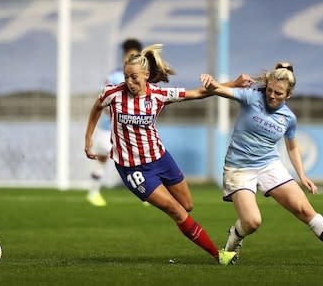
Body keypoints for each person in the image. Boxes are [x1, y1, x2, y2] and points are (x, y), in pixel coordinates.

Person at [84, 44, 239, 265]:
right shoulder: (113, 93)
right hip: (133, 169)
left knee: (187, 206)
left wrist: (234, 84)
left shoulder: (159, 94)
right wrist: (88, 138)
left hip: (161, 159)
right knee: (177, 211)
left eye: (134, 77)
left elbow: (199, 93)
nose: (130, 82)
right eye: (127, 77)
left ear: (146, 75)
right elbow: (96, 108)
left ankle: (181, 218)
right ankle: (219, 255)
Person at [203, 62, 323, 266]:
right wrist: (212, 84)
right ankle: (232, 243)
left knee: (304, 209)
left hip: (269, 165)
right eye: (269, 90)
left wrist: (302, 175)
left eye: (278, 93)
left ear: (288, 95)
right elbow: (220, 90)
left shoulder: (289, 118)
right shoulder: (252, 97)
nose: (271, 95)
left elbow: (292, 147)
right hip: (239, 168)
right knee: (252, 222)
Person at [87, 38, 143, 207]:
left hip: (132, 129)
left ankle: (146, 193)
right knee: (103, 158)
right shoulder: (115, 76)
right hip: (109, 128)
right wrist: (114, 119)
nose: (129, 58)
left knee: (139, 160)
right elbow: (104, 101)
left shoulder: (143, 77)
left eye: (133, 55)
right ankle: (93, 192)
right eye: (127, 55)